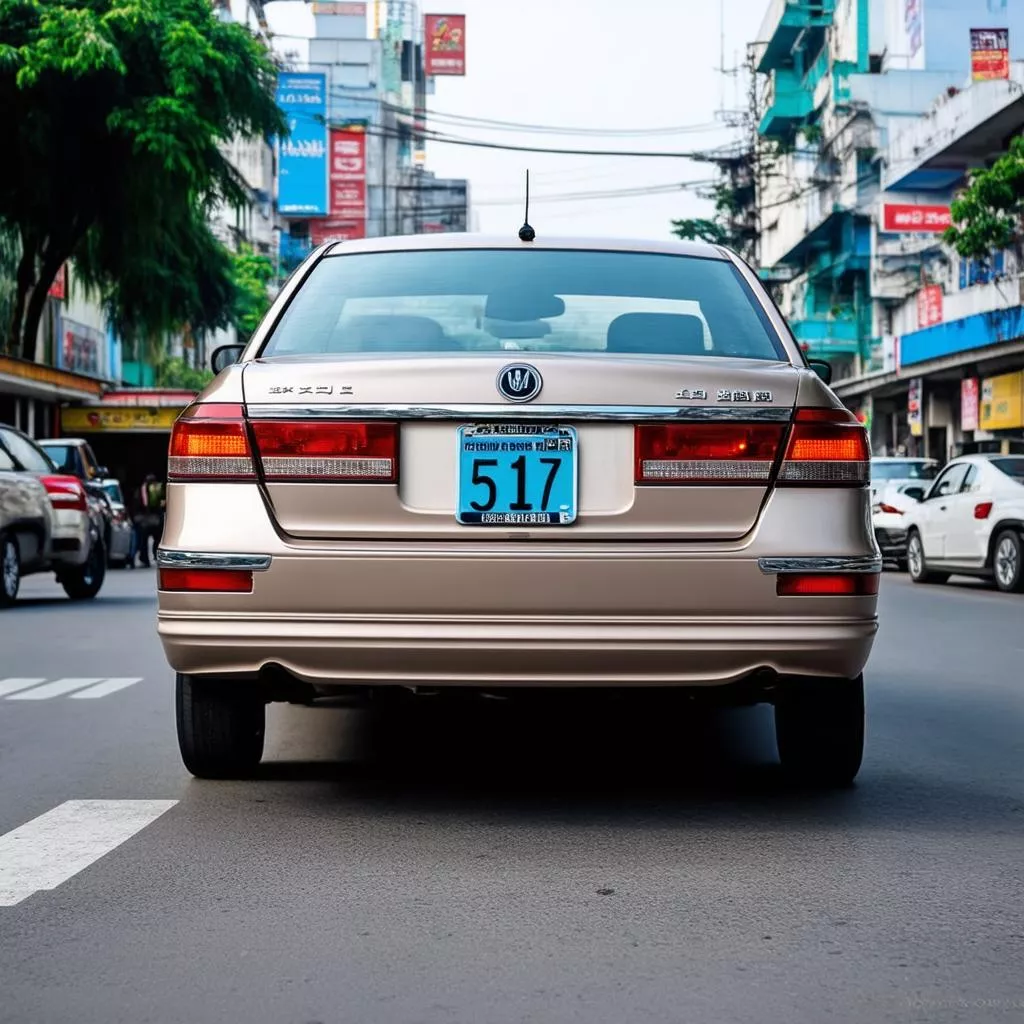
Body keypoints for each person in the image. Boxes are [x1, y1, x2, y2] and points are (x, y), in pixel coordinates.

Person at [135, 473, 166, 568]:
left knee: (143, 540)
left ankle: (144, 559)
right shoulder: (158, 488)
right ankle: (156, 555)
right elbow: (163, 501)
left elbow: (140, 503)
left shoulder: (141, 489)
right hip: (157, 518)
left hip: (145, 518)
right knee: (158, 538)